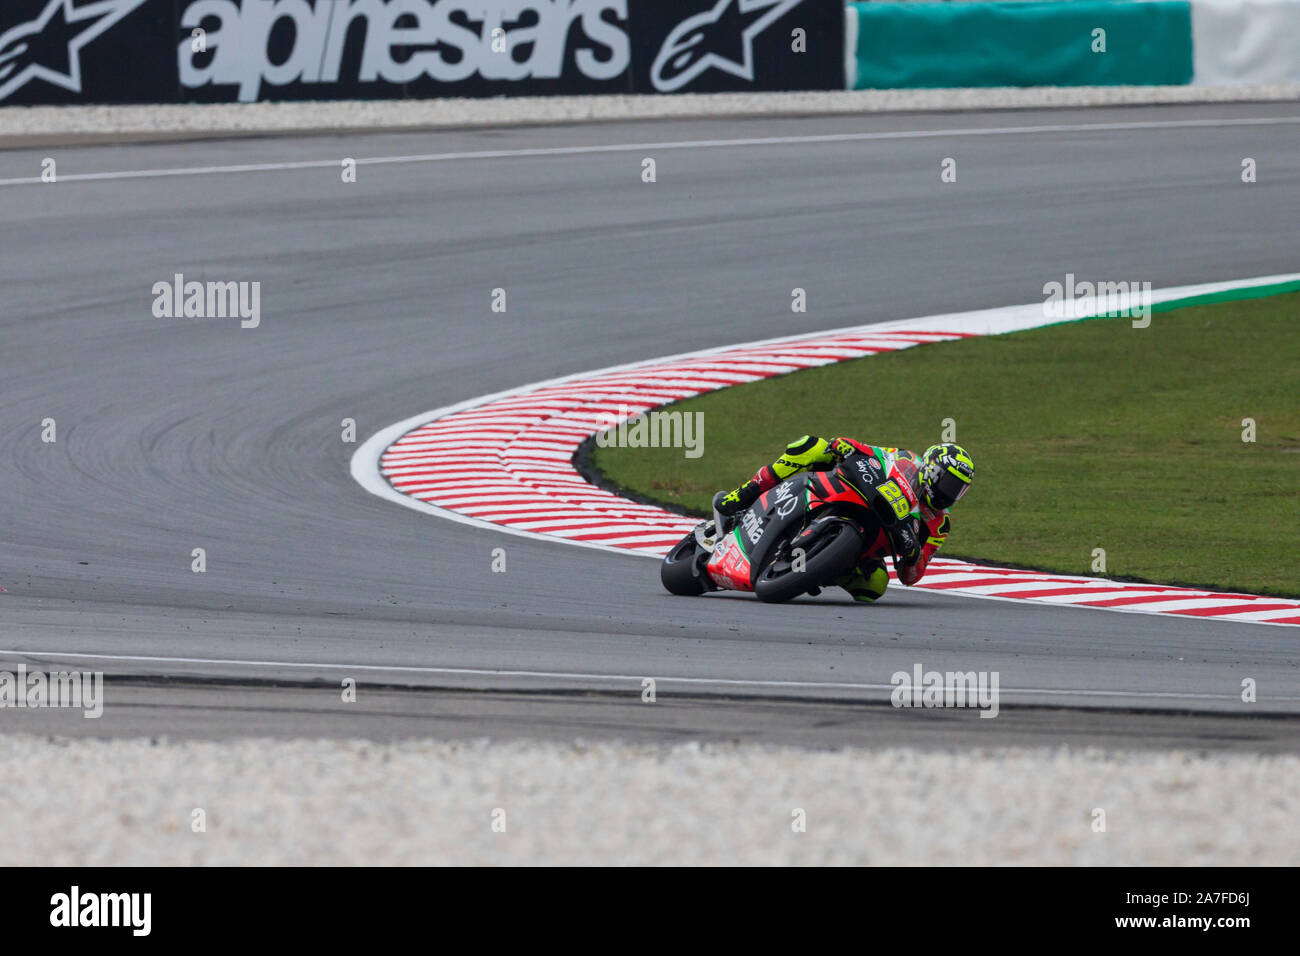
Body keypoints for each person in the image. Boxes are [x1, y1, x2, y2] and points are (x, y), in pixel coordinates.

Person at [715, 436, 974, 602]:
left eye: (958, 489)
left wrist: (913, 555)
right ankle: (740, 497)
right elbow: (871, 452)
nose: (949, 493)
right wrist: (847, 445)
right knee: (810, 446)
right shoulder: (907, 461)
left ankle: (822, 568)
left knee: (875, 587)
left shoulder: (939, 524)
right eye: (948, 483)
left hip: (868, 544)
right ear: (931, 470)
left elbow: (913, 575)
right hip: (848, 491)